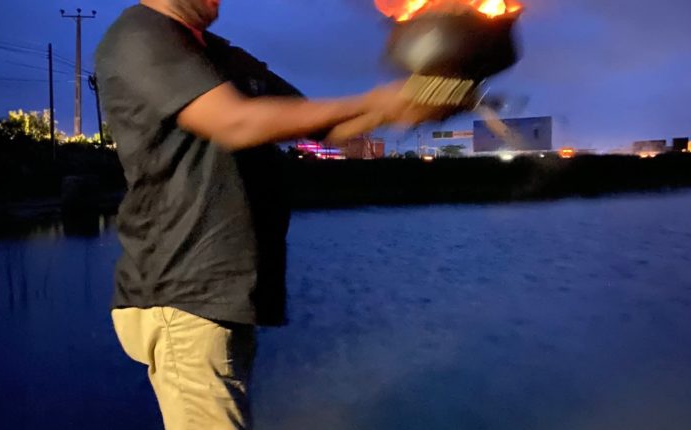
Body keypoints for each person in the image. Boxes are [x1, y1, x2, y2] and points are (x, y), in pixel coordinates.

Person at [95, 0, 459, 428]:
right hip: (181, 288)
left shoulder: (222, 54)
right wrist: (378, 100)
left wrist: (414, 101)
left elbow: (321, 125)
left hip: (222, 290)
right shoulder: (143, 34)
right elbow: (234, 122)